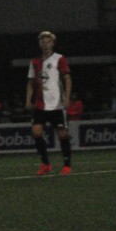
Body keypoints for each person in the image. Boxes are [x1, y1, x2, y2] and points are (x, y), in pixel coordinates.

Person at [26, 30, 73, 175]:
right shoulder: (34, 62)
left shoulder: (59, 59)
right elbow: (30, 83)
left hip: (56, 104)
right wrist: (28, 100)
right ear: (39, 44)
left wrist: (66, 98)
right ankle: (45, 164)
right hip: (40, 104)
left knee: (62, 135)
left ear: (53, 43)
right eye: (43, 41)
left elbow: (67, 79)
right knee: (36, 132)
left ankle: (67, 165)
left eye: (48, 41)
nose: (45, 44)